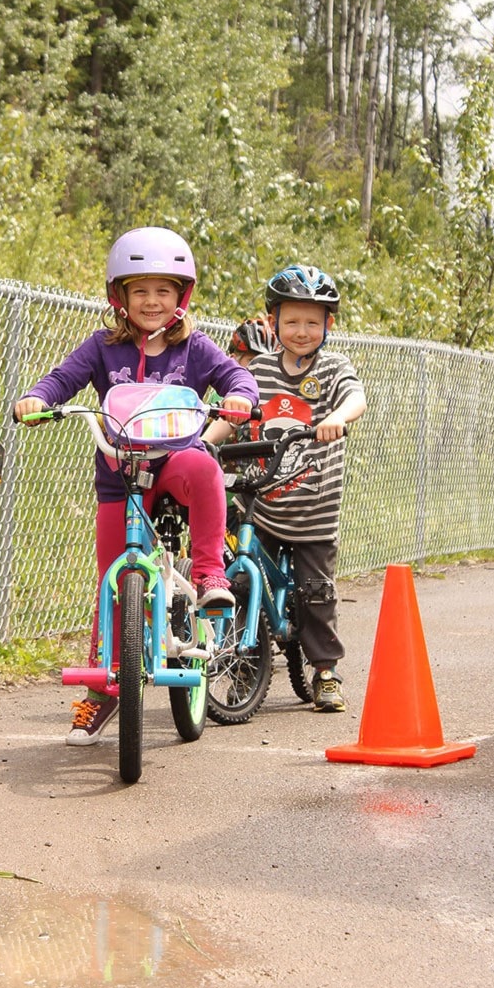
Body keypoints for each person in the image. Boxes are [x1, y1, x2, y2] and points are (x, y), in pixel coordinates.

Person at [13, 226, 259, 745]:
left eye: (164, 290)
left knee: (207, 469)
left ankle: (211, 576)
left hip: (174, 461)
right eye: (140, 290)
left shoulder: (193, 347)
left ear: (181, 296)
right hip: (121, 474)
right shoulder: (102, 348)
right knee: (113, 585)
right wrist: (38, 398)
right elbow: (61, 380)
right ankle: (103, 695)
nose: (152, 301)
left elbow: (235, 378)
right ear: (119, 296)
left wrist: (239, 395)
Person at [205, 264, 366, 712]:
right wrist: (204, 444)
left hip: (314, 506)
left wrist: (337, 416)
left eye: (312, 322)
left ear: (328, 325)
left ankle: (326, 672)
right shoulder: (260, 370)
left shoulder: (334, 368)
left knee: (315, 592)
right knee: (239, 581)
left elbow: (357, 397)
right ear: (274, 321)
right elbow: (232, 415)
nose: (301, 331)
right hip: (264, 499)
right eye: (291, 321)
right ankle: (240, 666)